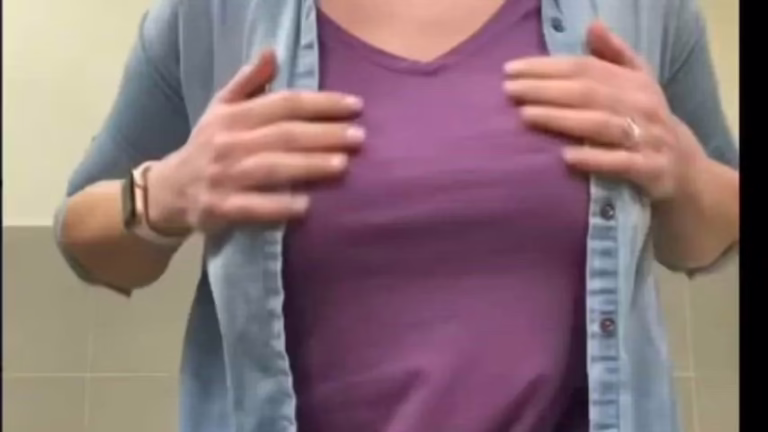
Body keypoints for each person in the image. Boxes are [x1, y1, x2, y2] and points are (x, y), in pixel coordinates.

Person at [55, 0, 739, 430]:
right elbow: (83, 239)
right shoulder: (216, 16)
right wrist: (163, 195)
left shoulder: (639, 12)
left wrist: (683, 172)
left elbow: (711, 238)